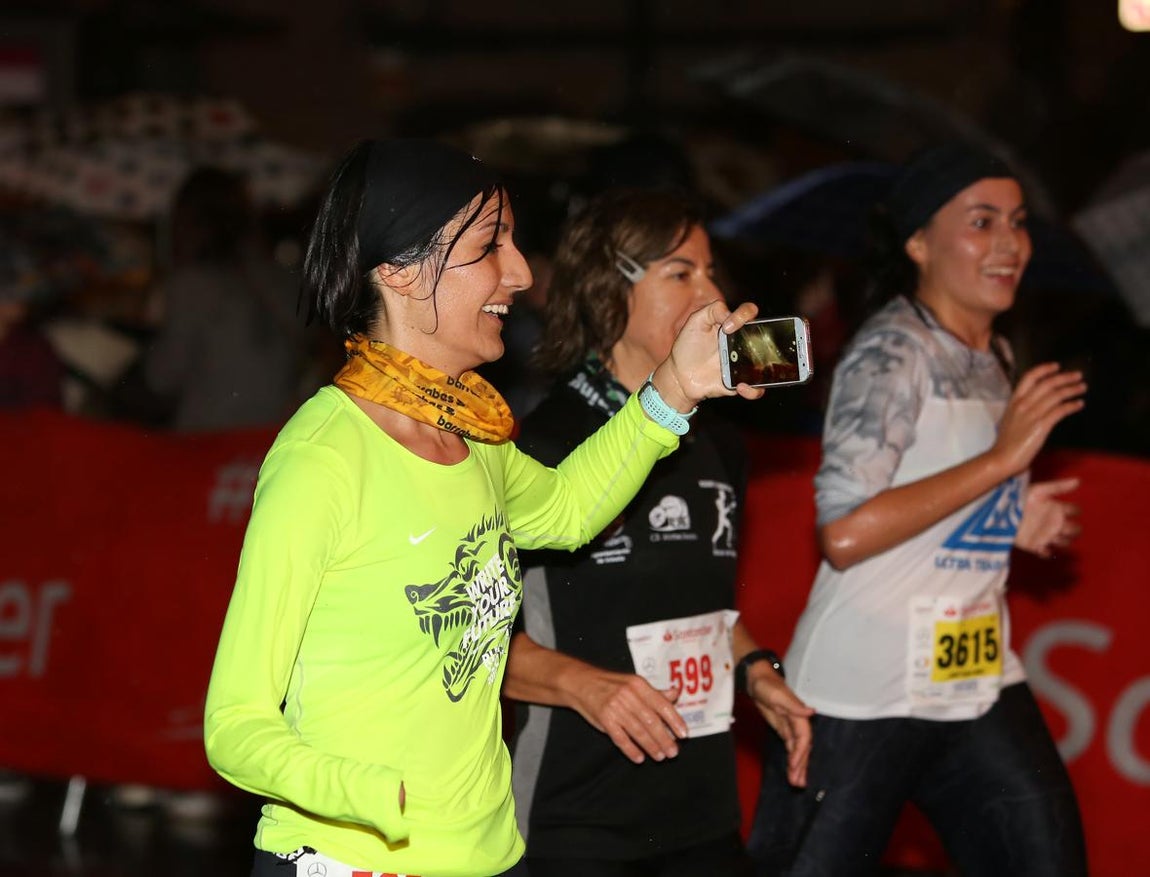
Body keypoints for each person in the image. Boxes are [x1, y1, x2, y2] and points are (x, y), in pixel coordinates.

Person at [202, 139, 763, 877]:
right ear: (400, 271)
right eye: (489, 246)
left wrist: (674, 390)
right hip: (357, 859)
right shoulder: (323, 458)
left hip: (491, 853)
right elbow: (234, 723)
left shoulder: (470, 434)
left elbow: (566, 509)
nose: (523, 272)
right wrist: (376, 794)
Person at [746, 142, 1089, 876]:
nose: (1010, 243)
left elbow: (939, 487)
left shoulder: (994, 354)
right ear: (918, 243)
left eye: (1019, 221)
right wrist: (1001, 462)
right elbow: (845, 531)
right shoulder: (888, 354)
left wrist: (1012, 512)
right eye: (981, 221)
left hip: (972, 674)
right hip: (864, 686)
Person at [503, 188, 814, 877]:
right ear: (608, 290)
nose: (711, 294)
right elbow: (469, 643)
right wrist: (587, 684)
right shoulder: (544, 444)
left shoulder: (719, 445)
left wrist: (756, 669)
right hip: (579, 817)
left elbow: (696, 608)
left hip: (700, 810)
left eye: (710, 271)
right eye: (680, 273)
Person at [138, 166, 310, 432]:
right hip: (273, 440)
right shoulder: (282, 279)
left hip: (212, 443)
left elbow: (161, 377)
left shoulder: (192, 286)